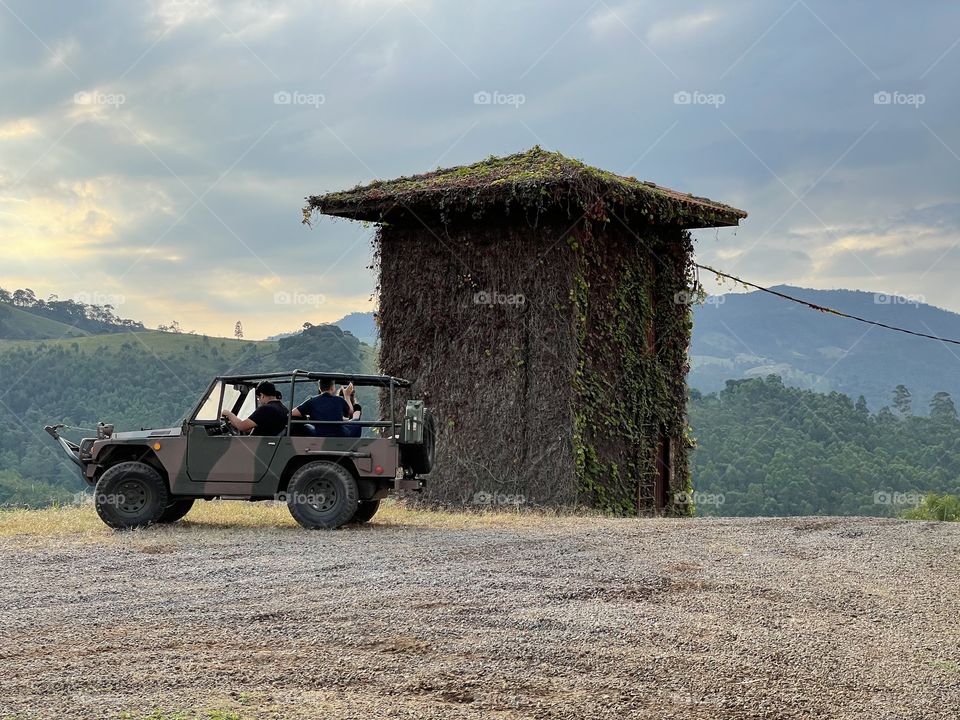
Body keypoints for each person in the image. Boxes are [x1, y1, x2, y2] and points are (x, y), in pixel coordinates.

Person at [221, 381, 289, 436]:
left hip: (259, 446)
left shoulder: (266, 409)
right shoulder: (284, 409)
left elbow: (242, 426)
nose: (258, 401)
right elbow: (264, 428)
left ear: (262, 395)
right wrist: (234, 424)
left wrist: (228, 413)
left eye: (258, 398)